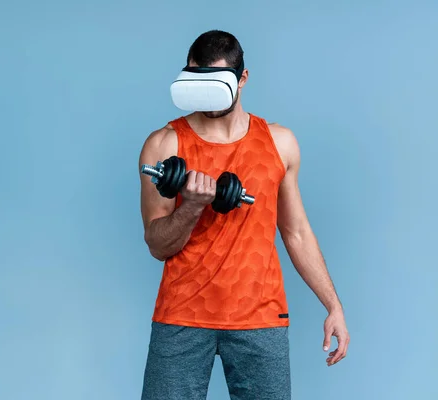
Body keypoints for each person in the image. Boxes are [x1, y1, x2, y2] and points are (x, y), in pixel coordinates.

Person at [138, 30, 350, 400]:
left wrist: (333, 305)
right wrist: (191, 205)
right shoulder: (165, 144)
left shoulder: (278, 142)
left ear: (243, 78)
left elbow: (296, 232)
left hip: (259, 318)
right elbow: (157, 244)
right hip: (182, 314)